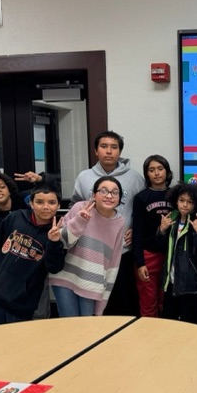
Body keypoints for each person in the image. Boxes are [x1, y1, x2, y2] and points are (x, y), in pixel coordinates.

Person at [72, 131, 143, 316]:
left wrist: (136, 230)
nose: (109, 151)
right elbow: (75, 209)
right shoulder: (84, 177)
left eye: (114, 147)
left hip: (122, 250)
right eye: (104, 147)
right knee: (95, 304)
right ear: (96, 151)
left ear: (120, 151)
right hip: (91, 253)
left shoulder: (134, 178)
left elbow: (143, 211)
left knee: (124, 301)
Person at [0, 183, 66, 326]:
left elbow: (54, 267)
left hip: (23, 302)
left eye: (51, 202)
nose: (45, 207)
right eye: (39, 202)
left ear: (58, 205)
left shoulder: (58, 232)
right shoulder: (15, 218)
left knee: (16, 344)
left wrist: (54, 242)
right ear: (31, 203)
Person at [49, 176, 126, 317]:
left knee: (87, 329)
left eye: (115, 192)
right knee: (69, 325)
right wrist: (79, 220)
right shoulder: (80, 207)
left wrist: (102, 303)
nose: (109, 196)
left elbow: (113, 264)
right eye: (103, 191)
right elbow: (64, 243)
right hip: (65, 277)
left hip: (92, 283)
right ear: (94, 195)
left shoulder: (119, 222)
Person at [158, 182, 197, 324]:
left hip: (189, 284)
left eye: (189, 202)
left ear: (196, 204)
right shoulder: (171, 219)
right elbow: (161, 249)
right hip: (171, 281)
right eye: (182, 200)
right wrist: (162, 230)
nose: (185, 205)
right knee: (169, 321)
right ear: (176, 200)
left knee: (191, 322)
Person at [132, 155, 173, 317]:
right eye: (151, 170)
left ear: (167, 172)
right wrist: (140, 263)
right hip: (148, 256)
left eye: (160, 169)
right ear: (147, 174)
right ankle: (147, 338)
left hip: (170, 256)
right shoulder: (141, 198)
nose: (156, 173)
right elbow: (137, 232)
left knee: (166, 301)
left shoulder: (176, 195)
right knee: (148, 302)